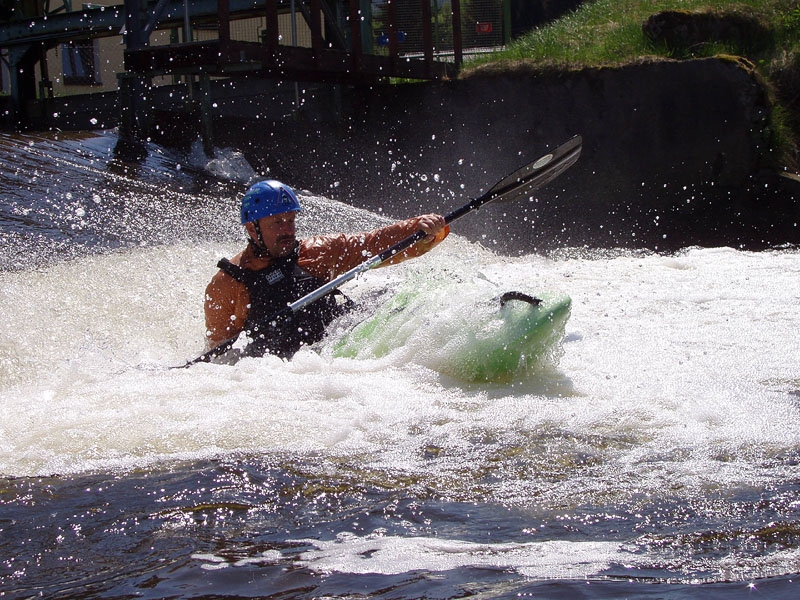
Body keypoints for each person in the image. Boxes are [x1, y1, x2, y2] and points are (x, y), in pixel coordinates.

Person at [204, 179, 449, 359]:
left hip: (339, 352)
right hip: (283, 374)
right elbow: (220, 355)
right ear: (251, 228)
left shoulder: (317, 252)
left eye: (290, 220)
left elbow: (373, 243)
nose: (288, 230)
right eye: (277, 222)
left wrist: (419, 230)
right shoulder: (226, 285)